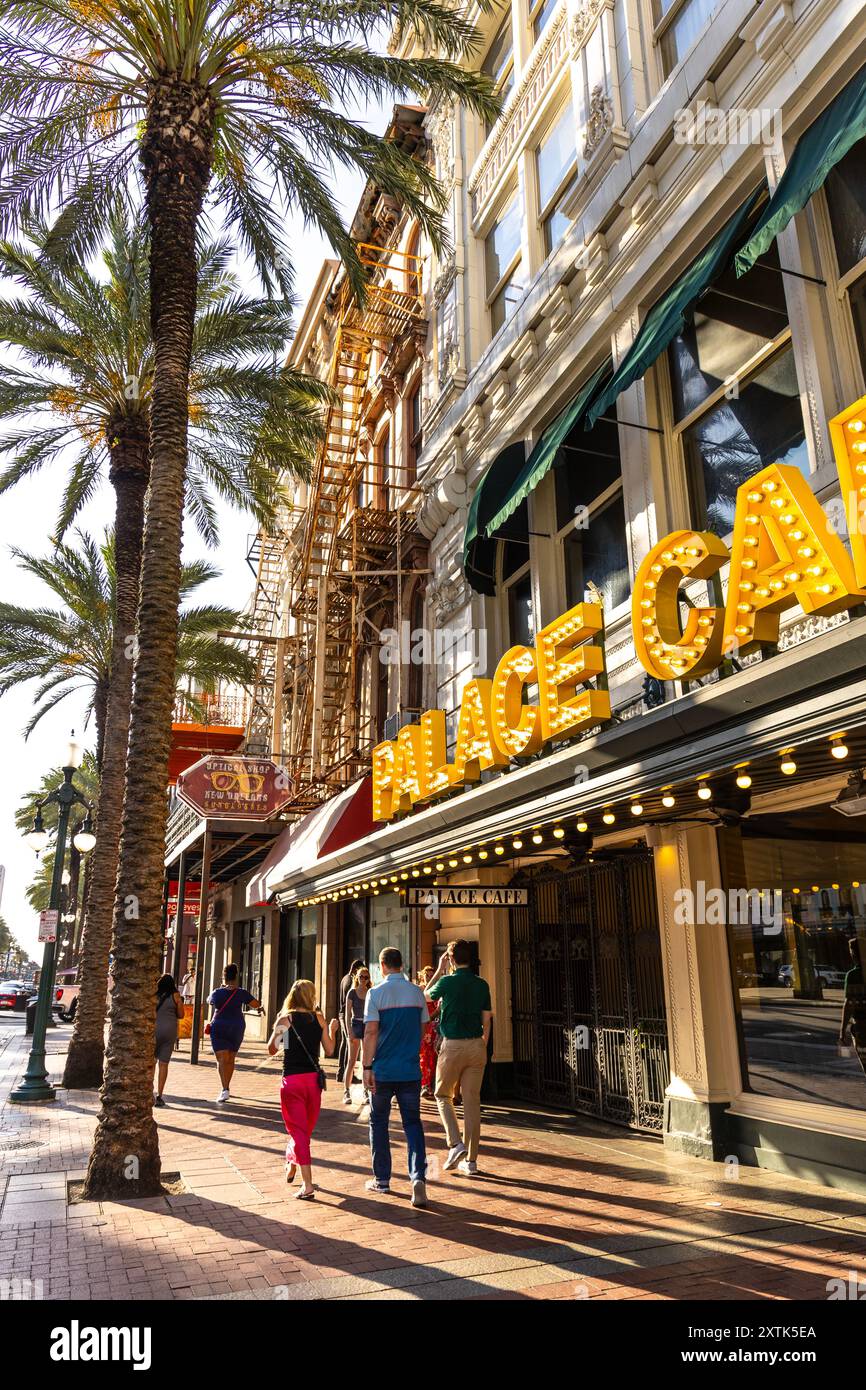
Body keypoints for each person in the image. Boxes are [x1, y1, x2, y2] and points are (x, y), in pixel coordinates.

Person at [362, 947, 429, 1208]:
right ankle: (418, 1177)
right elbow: (423, 1027)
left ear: (382, 965)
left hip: (383, 1071)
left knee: (378, 1122)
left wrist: (367, 1066)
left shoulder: (375, 993)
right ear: (401, 964)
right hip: (410, 1070)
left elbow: (370, 1032)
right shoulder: (416, 993)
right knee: (412, 1124)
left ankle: (382, 1179)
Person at [425, 939, 492, 1176]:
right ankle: (471, 1161)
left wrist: (440, 968)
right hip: (476, 1045)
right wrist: (482, 1043)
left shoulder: (447, 981)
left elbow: (425, 996)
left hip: (452, 1045)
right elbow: (487, 1019)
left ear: (452, 959)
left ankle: (456, 1144)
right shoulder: (482, 984)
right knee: (472, 1102)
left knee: (442, 1095)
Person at [268, 980, 340, 1199]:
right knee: (303, 1132)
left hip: (292, 1082)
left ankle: (307, 1185)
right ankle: (292, 1161)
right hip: (313, 1083)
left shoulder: (285, 1019)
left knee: (300, 1133)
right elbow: (329, 1050)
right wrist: (332, 1031)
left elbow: (272, 1049)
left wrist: (278, 1033)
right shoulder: (319, 1019)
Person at [207, 962, 261, 1103]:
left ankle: (225, 1089)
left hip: (219, 1027)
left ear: (223, 977)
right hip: (236, 1027)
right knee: (230, 1058)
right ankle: (226, 1088)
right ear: (236, 976)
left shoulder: (217, 992)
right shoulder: (241, 992)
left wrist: (222, 989)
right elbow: (256, 1004)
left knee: (221, 1059)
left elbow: (209, 1001)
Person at [153, 974, 184, 1107]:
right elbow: (181, 1015)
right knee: (163, 1064)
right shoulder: (176, 995)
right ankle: (159, 1095)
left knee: (151, 1062)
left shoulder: (153, 995)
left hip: (154, 1030)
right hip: (170, 1032)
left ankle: (149, 1092)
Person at [343, 964, 371, 1104]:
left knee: (366, 1060)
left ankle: (365, 1091)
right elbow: (347, 1014)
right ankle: (346, 1091)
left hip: (366, 1026)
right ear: (357, 977)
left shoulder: (370, 992)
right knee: (351, 1060)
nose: (363, 979)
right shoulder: (352, 993)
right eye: (361, 976)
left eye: (366, 977)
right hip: (355, 1025)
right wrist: (349, 1031)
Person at [840, 936, 866, 1077]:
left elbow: (849, 1004)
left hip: (862, 1028)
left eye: (851, 951)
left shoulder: (853, 975)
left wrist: (842, 1031)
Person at [338, 958, 366, 1084]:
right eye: (361, 975)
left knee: (345, 1042)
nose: (363, 979)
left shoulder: (344, 978)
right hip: (348, 1016)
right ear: (356, 971)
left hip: (343, 1014)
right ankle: (347, 1075)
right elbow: (350, 1004)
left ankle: (341, 1072)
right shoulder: (350, 983)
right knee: (349, 1044)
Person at [417, 966, 439, 1100]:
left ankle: (430, 1085)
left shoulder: (438, 989)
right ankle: (424, 1085)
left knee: (433, 1057)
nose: (429, 978)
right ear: (422, 976)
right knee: (424, 1056)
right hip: (425, 1025)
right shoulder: (420, 989)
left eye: (432, 975)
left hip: (435, 1026)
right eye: (427, 975)